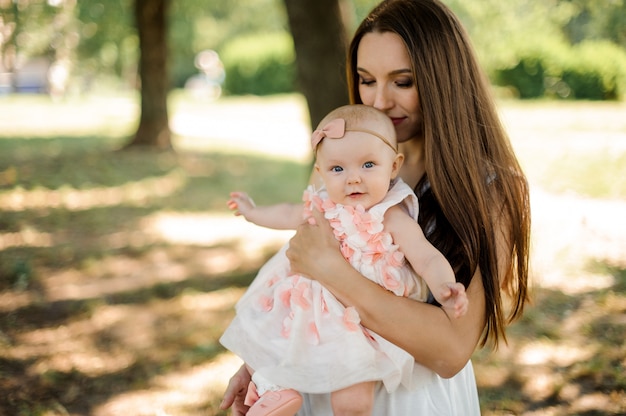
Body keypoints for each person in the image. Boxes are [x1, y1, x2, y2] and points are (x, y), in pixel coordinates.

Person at [220, 0, 531, 414]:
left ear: (444, 80)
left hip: (413, 400)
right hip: (323, 381)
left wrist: (334, 272)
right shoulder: (346, 166)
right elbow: (299, 272)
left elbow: (452, 349)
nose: (380, 101)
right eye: (366, 80)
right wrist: (264, 358)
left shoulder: (493, 190)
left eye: (403, 82)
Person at [221, 104, 468, 416]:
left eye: (368, 165)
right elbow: (286, 212)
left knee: (352, 402)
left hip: (361, 321)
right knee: (281, 330)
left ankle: (284, 390)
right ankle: (272, 387)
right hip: (313, 308)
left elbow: (425, 256)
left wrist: (446, 287)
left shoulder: (391, 214)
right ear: (321, 172)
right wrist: (252, 212)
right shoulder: (323, 205)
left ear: (393, 166)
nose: (353, 179)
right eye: (338, 169)